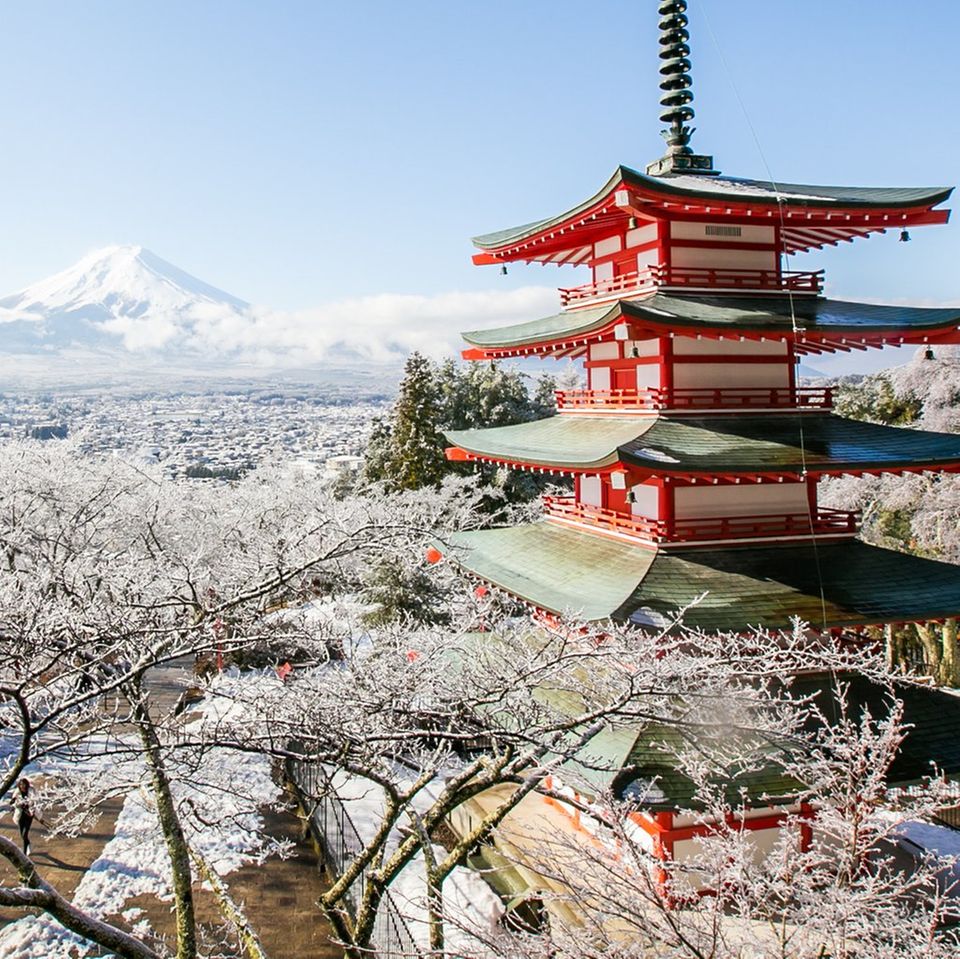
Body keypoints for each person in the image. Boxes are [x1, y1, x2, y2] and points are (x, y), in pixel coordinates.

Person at [12, 778, 43, 856]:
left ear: (27, 784)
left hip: (29, 815)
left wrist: (39, 817)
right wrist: (18, 805)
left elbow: (37, 803)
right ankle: (28, 844)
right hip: (20, 815)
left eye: (24, 784)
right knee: (22, 835)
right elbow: (14, 803)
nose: (22, 786)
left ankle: (24, 854)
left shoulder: (32, 791)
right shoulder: (17, 792)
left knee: (25, 834)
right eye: (21, 784)